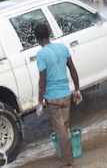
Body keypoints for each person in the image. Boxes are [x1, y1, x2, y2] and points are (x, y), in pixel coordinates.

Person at [34, 24, 83, 167]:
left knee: (60, 131)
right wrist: (77, 90)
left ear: (36, 39)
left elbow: (42, 80)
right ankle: (68, 159)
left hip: (53, 99)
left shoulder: (41, 54)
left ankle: (69, 162)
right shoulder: (62, 47)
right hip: (66, 96)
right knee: (65, 128)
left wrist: (39, 103)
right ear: (48, 35)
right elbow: (72, 69)